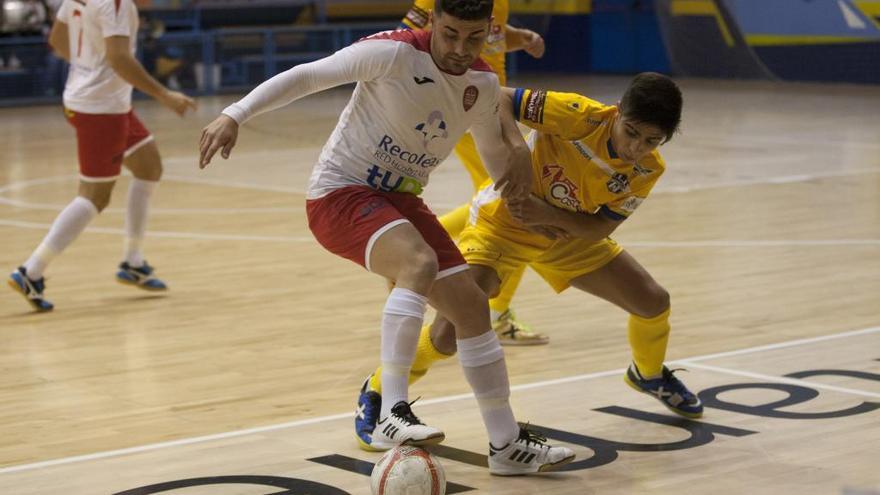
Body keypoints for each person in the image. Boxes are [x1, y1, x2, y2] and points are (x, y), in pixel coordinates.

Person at [198, 0, 574, 476]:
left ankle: (505, 444)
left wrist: (531, 211)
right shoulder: (392, 53)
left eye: (474, 38)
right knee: (418, 264)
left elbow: (494, 165)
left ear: (490, 34)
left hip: (401, 202)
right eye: (451, 34)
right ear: (434, 23)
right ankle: (391, 413)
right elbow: (309, 75)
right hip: (340, 193)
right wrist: (235, 113)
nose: (460, 48)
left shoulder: (481, 84)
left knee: (472, 307)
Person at [358, 73, 704, 435]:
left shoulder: (648, 168)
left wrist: (548, 215)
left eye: (652, 141)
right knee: (450, 331)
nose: (637, 147)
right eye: (631, 132)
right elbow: (500, 97)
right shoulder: (579, 115)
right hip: (502, 227)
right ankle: (379, 391)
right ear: (617, 113)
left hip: (564, 235)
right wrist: (518, 148)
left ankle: (647, 375)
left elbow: (601, 228)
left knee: (653, 302)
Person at [8, 0, 196, 312]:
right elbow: (120, 59)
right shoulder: (118, 4)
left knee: (149, 166)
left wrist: (88, 69)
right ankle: (31, 270)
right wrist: (164, 94)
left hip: (97, 100)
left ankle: (133, 261)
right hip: (101, 109)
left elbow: (56, 40)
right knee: (94, 196)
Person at [402, 0, 548, 346]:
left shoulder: (499, 4)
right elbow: (410, 39)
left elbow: (493, 37)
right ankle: (497, 312)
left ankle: (412, 245)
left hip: (489, 103)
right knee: (517, 207)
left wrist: (521, 38)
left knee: (503, 203)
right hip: (463, 104)